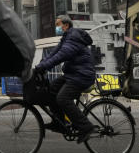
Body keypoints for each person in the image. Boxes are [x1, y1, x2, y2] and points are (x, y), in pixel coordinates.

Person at [33, 14, 98, 143]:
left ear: (66, 25)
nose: (56, 27)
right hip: (73, 74)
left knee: (62, 98)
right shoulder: (66, 38)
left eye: (58, 25)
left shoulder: (73, 37)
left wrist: (44, 67)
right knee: (51, 90)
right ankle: (59, 122)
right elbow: (53, 54)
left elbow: (61, 56)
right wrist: (39, 66)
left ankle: (86, 127)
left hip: (82, 76)